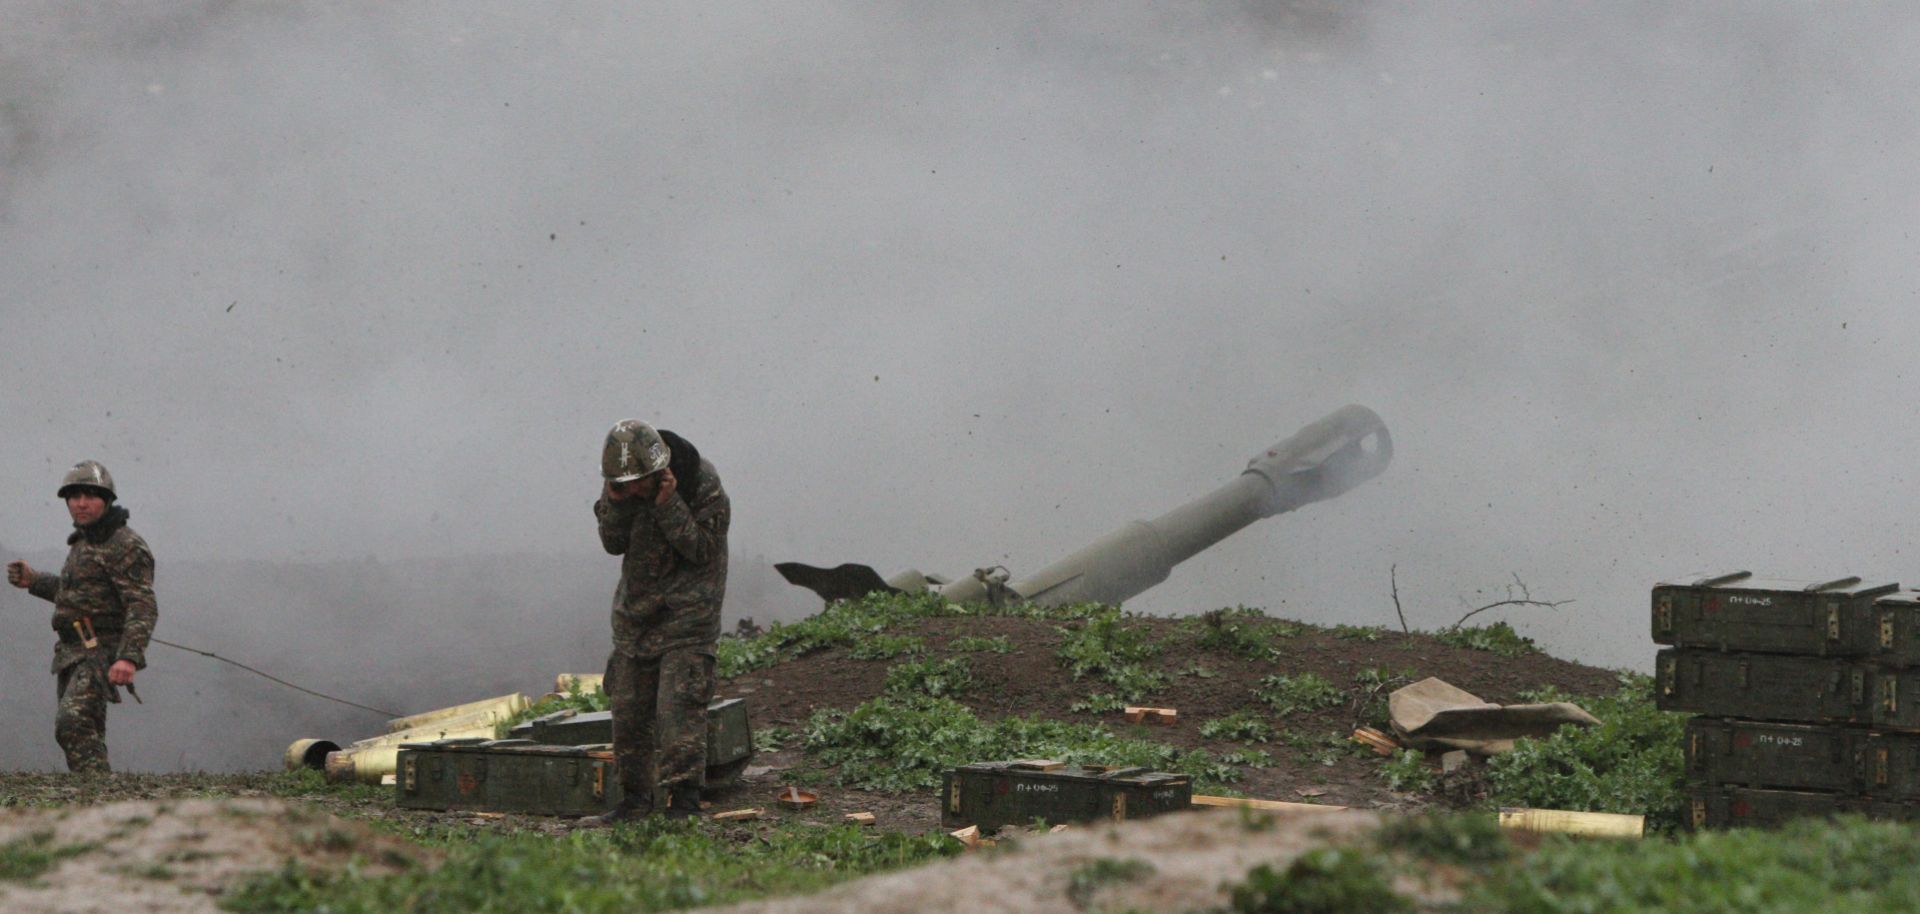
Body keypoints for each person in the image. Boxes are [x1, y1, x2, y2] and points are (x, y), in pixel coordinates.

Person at [584, 420, 730, 824]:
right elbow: (613, 544)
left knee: (677, 712)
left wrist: (668, 506)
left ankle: (683, 803)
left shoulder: (703, 485)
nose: (630, 492)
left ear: (659, 474)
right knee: (628, 712)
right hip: (637, 617)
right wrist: (615, 503)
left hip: (688, 618)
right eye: (621, 485)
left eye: (637, 485)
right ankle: (634, 802)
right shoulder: (622, 484)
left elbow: (701, 549)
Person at [5, 460, 157, 774]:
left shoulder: (125, 545)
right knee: (84, 729)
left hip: (100, 651)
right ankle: (96, 800)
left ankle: (100, 798)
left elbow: (142, 605)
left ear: (107, 500)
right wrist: (34, 581)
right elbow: (78, 595)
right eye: (75, 497)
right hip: (72, 652)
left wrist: (128, 657)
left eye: (91, 495)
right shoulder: (84, 541)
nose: (82, 503)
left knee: (72, 723)